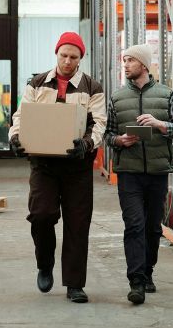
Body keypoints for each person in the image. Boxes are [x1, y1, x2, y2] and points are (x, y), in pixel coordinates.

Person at [8, 32, 106, 304]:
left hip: (77, 166)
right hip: (44, 165)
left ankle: (75, 284)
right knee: (41, 215)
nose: (67, 61)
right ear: (57, 54)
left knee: (77, 224)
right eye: (64, 55)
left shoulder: (92, 87)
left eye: (73, 57)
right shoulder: (37, 83)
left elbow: (99, 123)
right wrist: (15, 137)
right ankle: (45, 263)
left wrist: (86, 144)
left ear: (80, 58)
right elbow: (21, 115)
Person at [104, 44, 173, 305]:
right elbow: (108, 134)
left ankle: (148, 271)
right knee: (134, 225)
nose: (126, 64)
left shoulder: (166, 94)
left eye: (130, 60)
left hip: (157, 172)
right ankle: (136, 281)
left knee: (152, 227)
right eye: (124, 60)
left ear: (143, 64)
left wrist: (160, 124)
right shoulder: (117, 98)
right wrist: (119, 140)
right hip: (128, 172)